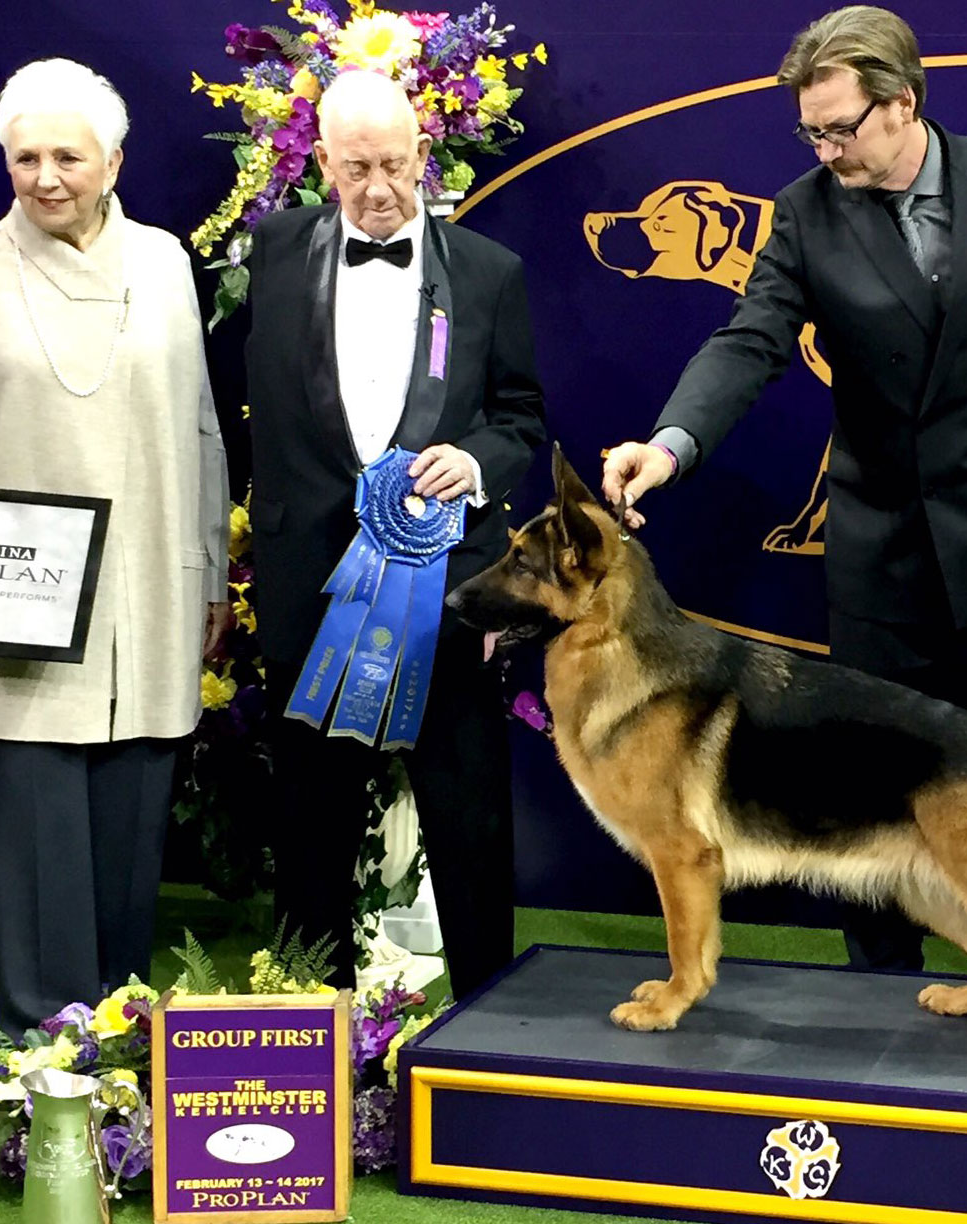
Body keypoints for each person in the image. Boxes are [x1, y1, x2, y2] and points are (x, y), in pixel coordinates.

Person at [600, 6, 967, 973]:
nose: (826, 148)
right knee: (865, 792)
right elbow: (750, 340)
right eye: (810, 130)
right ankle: (877, 1004)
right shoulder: (805, 213)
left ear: (905, 104)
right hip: (882, 558)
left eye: (840, 128)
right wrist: (670, 444)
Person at [0, 58, 231, 1036]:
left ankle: (121, 1039)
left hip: (155, 602)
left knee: (131, 840)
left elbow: (204, 430)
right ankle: (47, 1061)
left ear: (113, 162)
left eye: (68, 157)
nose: (46, 176)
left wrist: (209, 571)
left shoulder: (168, 263)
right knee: (40, 840)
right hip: (17, 612)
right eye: (25, 157)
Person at [242, 69, 545, 997]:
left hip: (441, 591)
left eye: (394, 166)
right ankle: (309, 1031)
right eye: (354, 168)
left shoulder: (489, 272)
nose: (377, 189)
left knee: (467, 819)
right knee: (309, 822)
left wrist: (478, 463)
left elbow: (521, 417)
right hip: (307, 584)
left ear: (425, 157)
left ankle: (488, 1022)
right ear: (320, 162)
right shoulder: (275, 251)